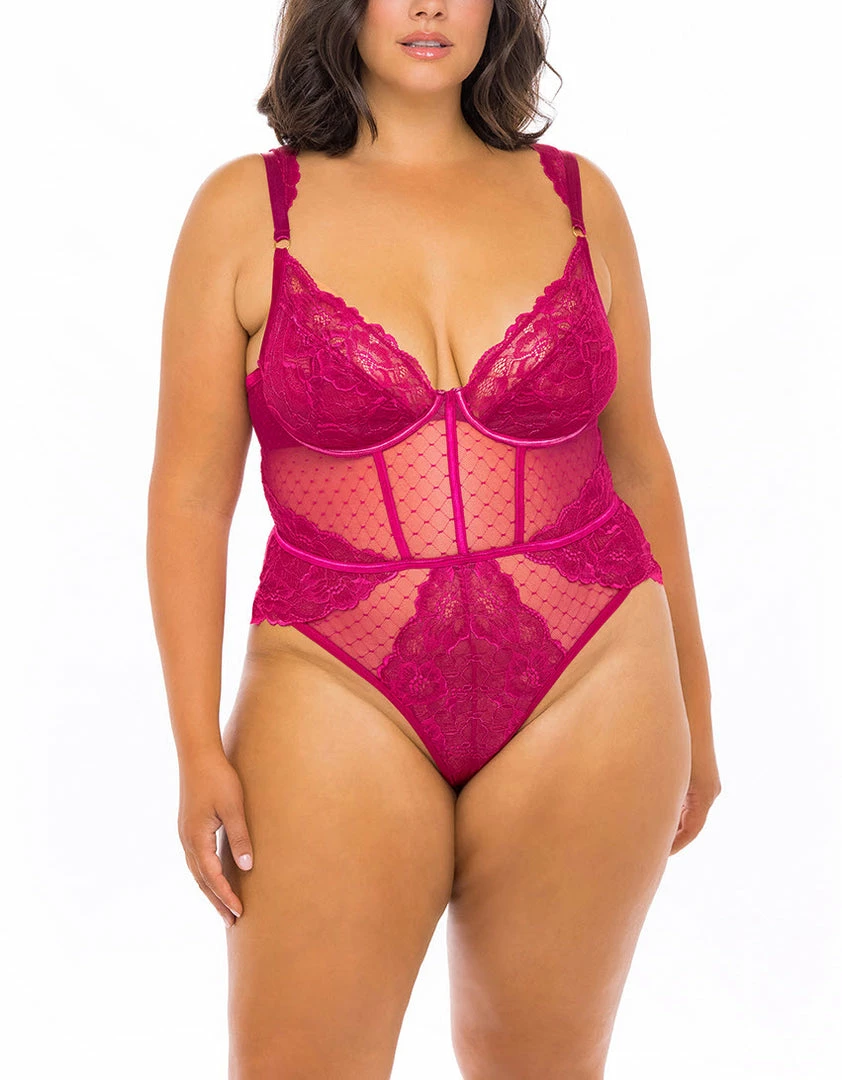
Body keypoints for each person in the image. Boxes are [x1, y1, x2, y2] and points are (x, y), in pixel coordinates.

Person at [147, 1, 721, 1076]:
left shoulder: (580, 200)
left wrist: (698, 705)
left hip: (594, 671)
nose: (427, 5)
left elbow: (639, 461)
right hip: (334, 676)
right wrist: (192, 748)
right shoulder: (245, 211)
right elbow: (188, 497)